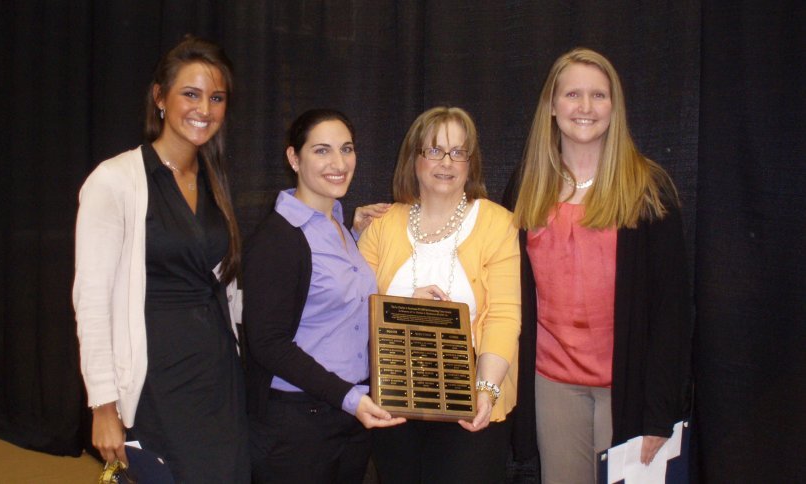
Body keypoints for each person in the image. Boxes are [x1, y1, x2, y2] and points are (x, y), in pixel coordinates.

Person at [510, 47, 692, 483]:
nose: (586, 108)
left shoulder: (648, 190)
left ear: (615, 107)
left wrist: (658, 415)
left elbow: (673, 313)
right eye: (573, 95)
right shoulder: (526, 186)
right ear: (551, 107)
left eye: (599, 96)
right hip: (553, 385)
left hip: (628, 387)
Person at [73, 36, 249, 482]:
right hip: (155, 382)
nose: (204, 109)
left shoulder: (214, 179)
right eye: (190, 94)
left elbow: (225, 285)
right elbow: (92, 303)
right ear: (160, 99)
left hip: (217, 377)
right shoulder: (115, 181)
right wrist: (104, 406)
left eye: (216, 97)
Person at [357, 106, 521, 483]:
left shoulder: (498, 223)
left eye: (458, 152)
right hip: (394, 400)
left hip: (471, 402)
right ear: (413, 159)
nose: (446, 162)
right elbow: (354, 310)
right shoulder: (382, 225)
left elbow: (504, 317)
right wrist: (404, 308)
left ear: (470, 162)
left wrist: (486, 390)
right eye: (434, 150)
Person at [243, 109, 405, 484]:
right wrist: (349, 397)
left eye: (346, 149)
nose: (339, 163)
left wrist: (411, 300)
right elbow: (268, 344)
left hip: (347, 419)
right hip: (298, 424)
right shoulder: (277, 239)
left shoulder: (340, 226)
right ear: (294, 159)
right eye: (322, 151)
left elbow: (342, 310)